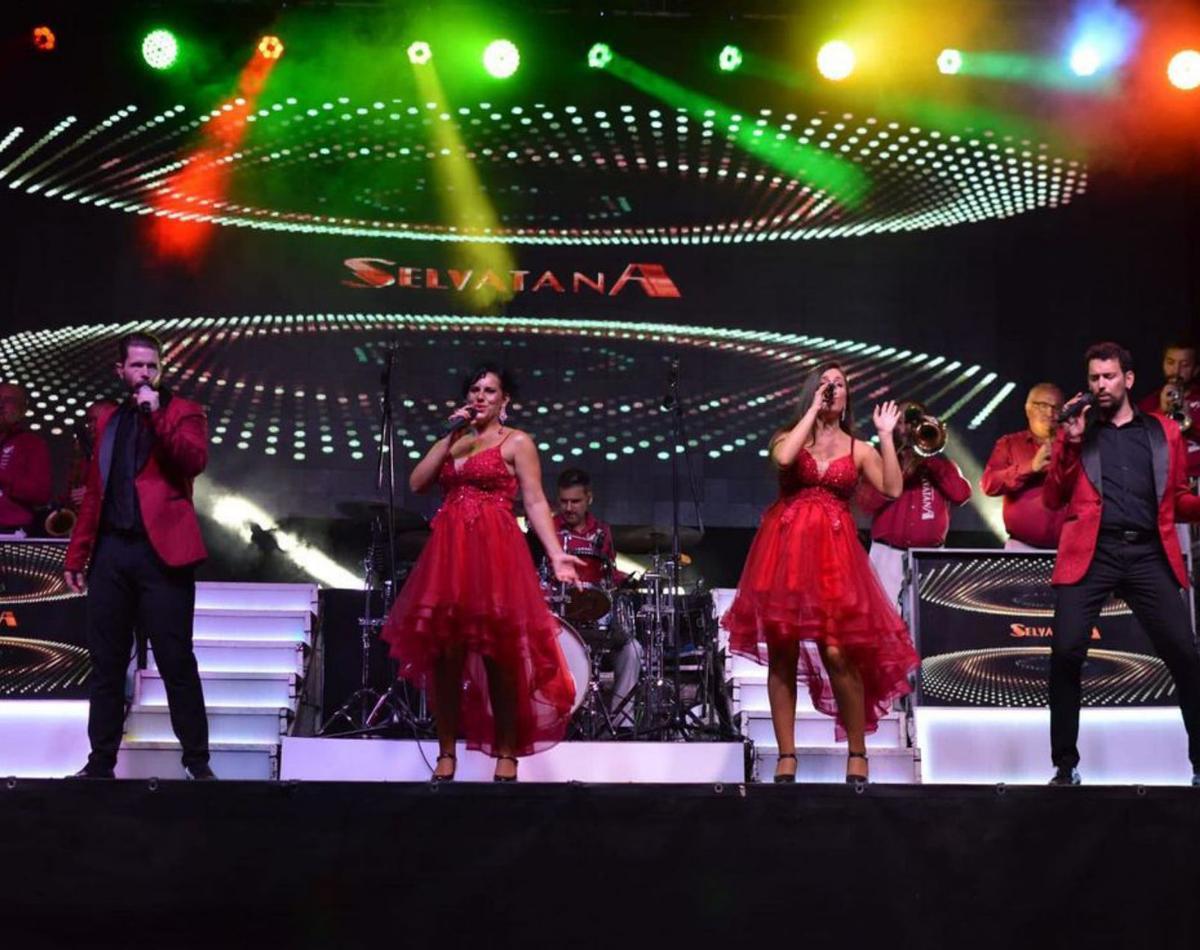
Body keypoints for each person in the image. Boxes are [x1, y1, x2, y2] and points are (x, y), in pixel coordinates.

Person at [380, 363, 582, 782]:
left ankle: (507, 752)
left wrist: (556, 553)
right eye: (475, 389)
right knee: (445, 656)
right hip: (450, 556)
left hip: (495, 554)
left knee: (499, 656)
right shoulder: (455, 441)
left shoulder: (517, 441)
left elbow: (536, 501)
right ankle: (446, 752)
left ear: (505, 400)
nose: (480, 397)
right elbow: (417, 482)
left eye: (490, 391)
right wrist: (448, 434)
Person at [720, 362, 919, 784]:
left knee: (836, 652)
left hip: (834, 559)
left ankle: (858, 752)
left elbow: (892, 488)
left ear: (847, 397)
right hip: (786, 555)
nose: (832, 389)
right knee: (783, 653)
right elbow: (784, 458)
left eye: (839, 384)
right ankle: (786, 756)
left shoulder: (858, 448)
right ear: (812, 390)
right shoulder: (788, 436)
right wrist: (811, 412)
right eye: (825, 383)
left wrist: (885, 436)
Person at [1044, 342, 1200, 786]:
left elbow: (1177, 499)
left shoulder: (1163, 432)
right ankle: (1065, 765)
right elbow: (1053, 497)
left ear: (1128, 379)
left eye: (1109, 376)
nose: (1101, 385)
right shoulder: (1079, 431)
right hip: (1092, 553)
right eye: (1094, 377)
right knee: (1066, 652)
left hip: (1147, 552)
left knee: (1185, 655)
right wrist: (1071, 442)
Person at [63, 332, 213, 780]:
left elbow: (192, 461)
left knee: (175, 659)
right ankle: (100, 761)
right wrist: (77, 554)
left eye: (152, 366)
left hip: (162, 553)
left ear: (161, 369)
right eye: (137, 366)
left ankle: (197, 761)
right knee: (106, 661)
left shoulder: (184, 411)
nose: (145, 373)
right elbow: (95, 491)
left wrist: (155, 415)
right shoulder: (108, 419)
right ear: (121, 370)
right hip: (112, 551)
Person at [530, 467, 641, 732]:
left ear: (589, 498)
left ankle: (622, 725)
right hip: (559, 619)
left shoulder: (602, 531)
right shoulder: (548, 529)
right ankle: (549, 719)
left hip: (596, 617)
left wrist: (629, 581)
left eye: (575, 501)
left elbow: (608, 574)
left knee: (633, 649)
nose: (568, 508)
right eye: (564, 501)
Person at [858, 403, 972, 610]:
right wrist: (900, 472)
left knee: (928, 621)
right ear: (894, 426)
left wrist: (929, 458)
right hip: (887, 555)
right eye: (902, 422)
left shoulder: (940, 466)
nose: (909, 427)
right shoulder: (879, 461)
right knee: (882, 619)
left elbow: (961, 495)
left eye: (914, 421)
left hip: (929, 558)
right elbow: (866, 502)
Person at [981, 383, 1069, 550]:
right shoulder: (1009, 444)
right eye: (1042, 405)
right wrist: (1030, 467)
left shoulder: (1074, 446)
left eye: (1056, 407)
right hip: (1021, 546)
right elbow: (989, 485)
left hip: (1069, 548)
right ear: (1028, 409)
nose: (1050, 413)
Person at [1137, 340, 1199, 480]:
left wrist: (1190, 423)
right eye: (1170, 363)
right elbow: (1138, 443)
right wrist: (1161, 411)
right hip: (1164, 479)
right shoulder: (1149, 402)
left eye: (1185, 365)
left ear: (1196, 370)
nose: (1176, 371)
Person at [0, 382, 52, 534]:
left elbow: (41, 494)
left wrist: (4, 478)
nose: (0, 405)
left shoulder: (32, 443)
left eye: (8, 400)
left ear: (22, 410)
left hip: (11, 531)